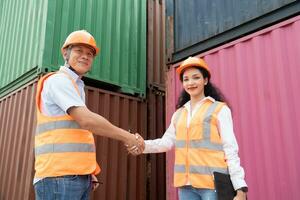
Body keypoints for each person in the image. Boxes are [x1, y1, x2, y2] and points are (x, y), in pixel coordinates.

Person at [34, 30, 144, 200]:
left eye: (90, 54)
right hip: (59, 177)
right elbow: (86, 121)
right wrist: (128, 137)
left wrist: (87, 171)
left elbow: (76, 134)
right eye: (79, 51)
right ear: (65, 53)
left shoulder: (76, 86)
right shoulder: (58, 81)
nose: (85, 56)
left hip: (74, 177)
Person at [128, 56, 248, 200]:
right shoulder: (179, 114)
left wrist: (240, 187)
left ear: (205, 80)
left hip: (212, 186)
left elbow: (230, 149)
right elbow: (166, 142)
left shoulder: (219, 110)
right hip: (186, 187)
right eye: (186, 79)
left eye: (196, 77)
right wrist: (142, 145)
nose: (190, 83)